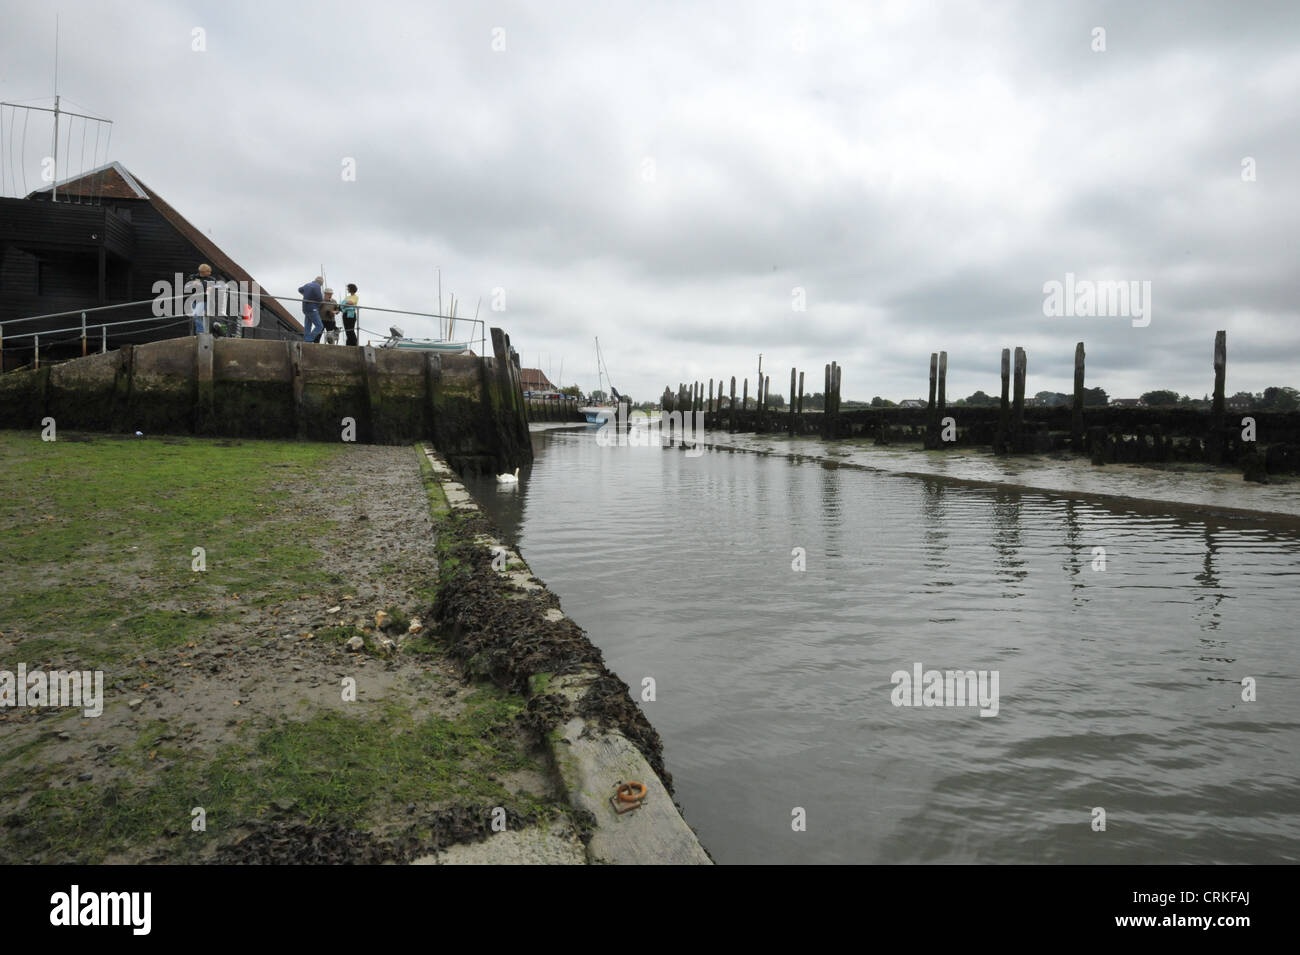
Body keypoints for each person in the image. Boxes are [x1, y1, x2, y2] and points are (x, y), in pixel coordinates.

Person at [187, 263, 225, 335]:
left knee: (204, 316)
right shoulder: (193, 278)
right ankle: (201, 332)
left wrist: (212, 288)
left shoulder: (211, 279)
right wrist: (193, 284)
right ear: (203, 272)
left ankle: (206, 332)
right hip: (196, 300)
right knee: (197, 316)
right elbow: (186, 288)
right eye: (208, 271)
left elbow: (219, 286)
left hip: (207, 301)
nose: (210, 273)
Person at [298, 275, 324, 343]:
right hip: (312, 308)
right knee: (319, 326)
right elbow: (320, 298)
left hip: (305, 308)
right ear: (320, 283)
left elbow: (299, 289)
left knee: (308, 325)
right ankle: (309, 339)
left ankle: (306, 340)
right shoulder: (317, 286)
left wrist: (305, 295)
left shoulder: (307, 284)